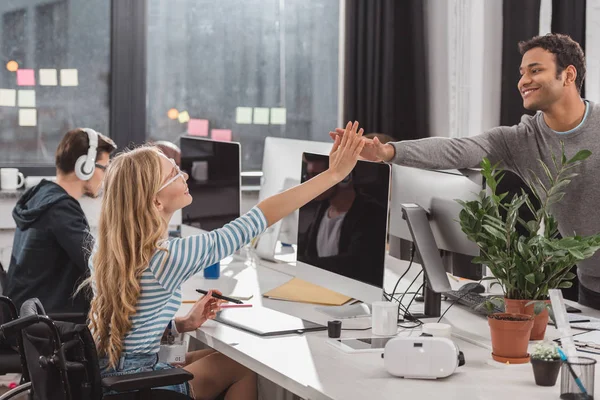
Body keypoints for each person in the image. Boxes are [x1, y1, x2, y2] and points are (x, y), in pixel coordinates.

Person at [77, 122, 365, 399]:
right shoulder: (167, 256)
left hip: (111, 376)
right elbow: (259, 218)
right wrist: (333, 175)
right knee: (242, 368)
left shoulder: (110, 250)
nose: (186, 176)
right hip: (137, 385)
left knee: (219, 357)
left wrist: (181, 324)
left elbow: (130, 324)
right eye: (175, 174)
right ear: (156, 202)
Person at [331, 33, 600, 309]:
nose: (523, 81)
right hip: (590, 286)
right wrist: (386, 152)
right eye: (522, 73)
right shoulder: (521, 140)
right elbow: (457, 149)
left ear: (567, 75)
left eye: (536, 70)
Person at [5, 128, 116, 314]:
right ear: (85, 166)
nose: (106, 176)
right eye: (104, 168)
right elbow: (98, 265)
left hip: (22, 317)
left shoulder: (39, 195)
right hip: (46, 325)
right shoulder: (61, 209)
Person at [297, 153, 387, 287]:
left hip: (354, 294)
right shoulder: (324, 208)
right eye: (308, 176)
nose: (310, 183)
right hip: (324, 287)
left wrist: (303, 264)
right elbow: (307, 250)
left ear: (345, 178)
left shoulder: (370, 212)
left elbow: (353, 264)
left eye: (316, 176)